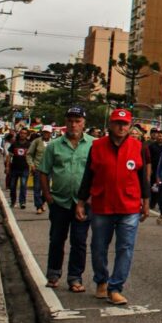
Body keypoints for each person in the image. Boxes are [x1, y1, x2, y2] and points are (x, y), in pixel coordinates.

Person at [75, 108, 150, 306]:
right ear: (110, 124)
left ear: (130, 125)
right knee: (99, 247)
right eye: (117, 123)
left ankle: (115, 287)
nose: (121, 127)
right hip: (102, 205)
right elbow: (88, 177)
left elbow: (143, 178)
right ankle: (101, 279)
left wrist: (146, 202)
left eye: (125, 124)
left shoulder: (138, 146)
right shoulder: (97, 146)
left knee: (125, 247)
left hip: (129, 206)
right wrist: (81, 202)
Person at [40, 107, 93, 292]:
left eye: (78, 120)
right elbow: (44, 171)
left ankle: (75, 277)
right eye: (70, 120)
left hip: (83, 203)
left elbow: (99, 172)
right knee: (56, 239)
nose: (74, 124)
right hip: (59, 201)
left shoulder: (94, 145)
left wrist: (92, 197)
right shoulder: (54, 145)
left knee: (79, 241)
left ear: (84, 123)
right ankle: (53, 274)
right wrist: (47, 195)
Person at [5, 127, 32, 208]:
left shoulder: (29, 144)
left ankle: (22, 202)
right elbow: (9, 156)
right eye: (21, 133)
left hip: (25, 168)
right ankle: (13, 201)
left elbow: (32, 156)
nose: (22, 135)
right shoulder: (14, 144)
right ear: (19, 134)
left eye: (24, 133)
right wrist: (7, 166)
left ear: (27, 135)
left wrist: (32, 165)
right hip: (14, 168)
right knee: (12, 186)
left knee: (23, 185)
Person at [29, 125, 52, 213]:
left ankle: (42, 202)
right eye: (44, 132)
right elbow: (29, 154)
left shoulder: (53, 143)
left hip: (49, 169)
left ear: (50, 133)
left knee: (47, 189)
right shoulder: (36, 142)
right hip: (38, 168)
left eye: (48, 132)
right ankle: (38, 206)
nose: (46, 134)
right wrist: (32, 165)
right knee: (37, 188)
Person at [147, 129, 162, 210]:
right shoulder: (152, 146)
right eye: (159, 136)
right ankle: (152, 203)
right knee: (154, 187)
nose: (161, 137)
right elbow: (148, 158)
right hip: (154, 170)